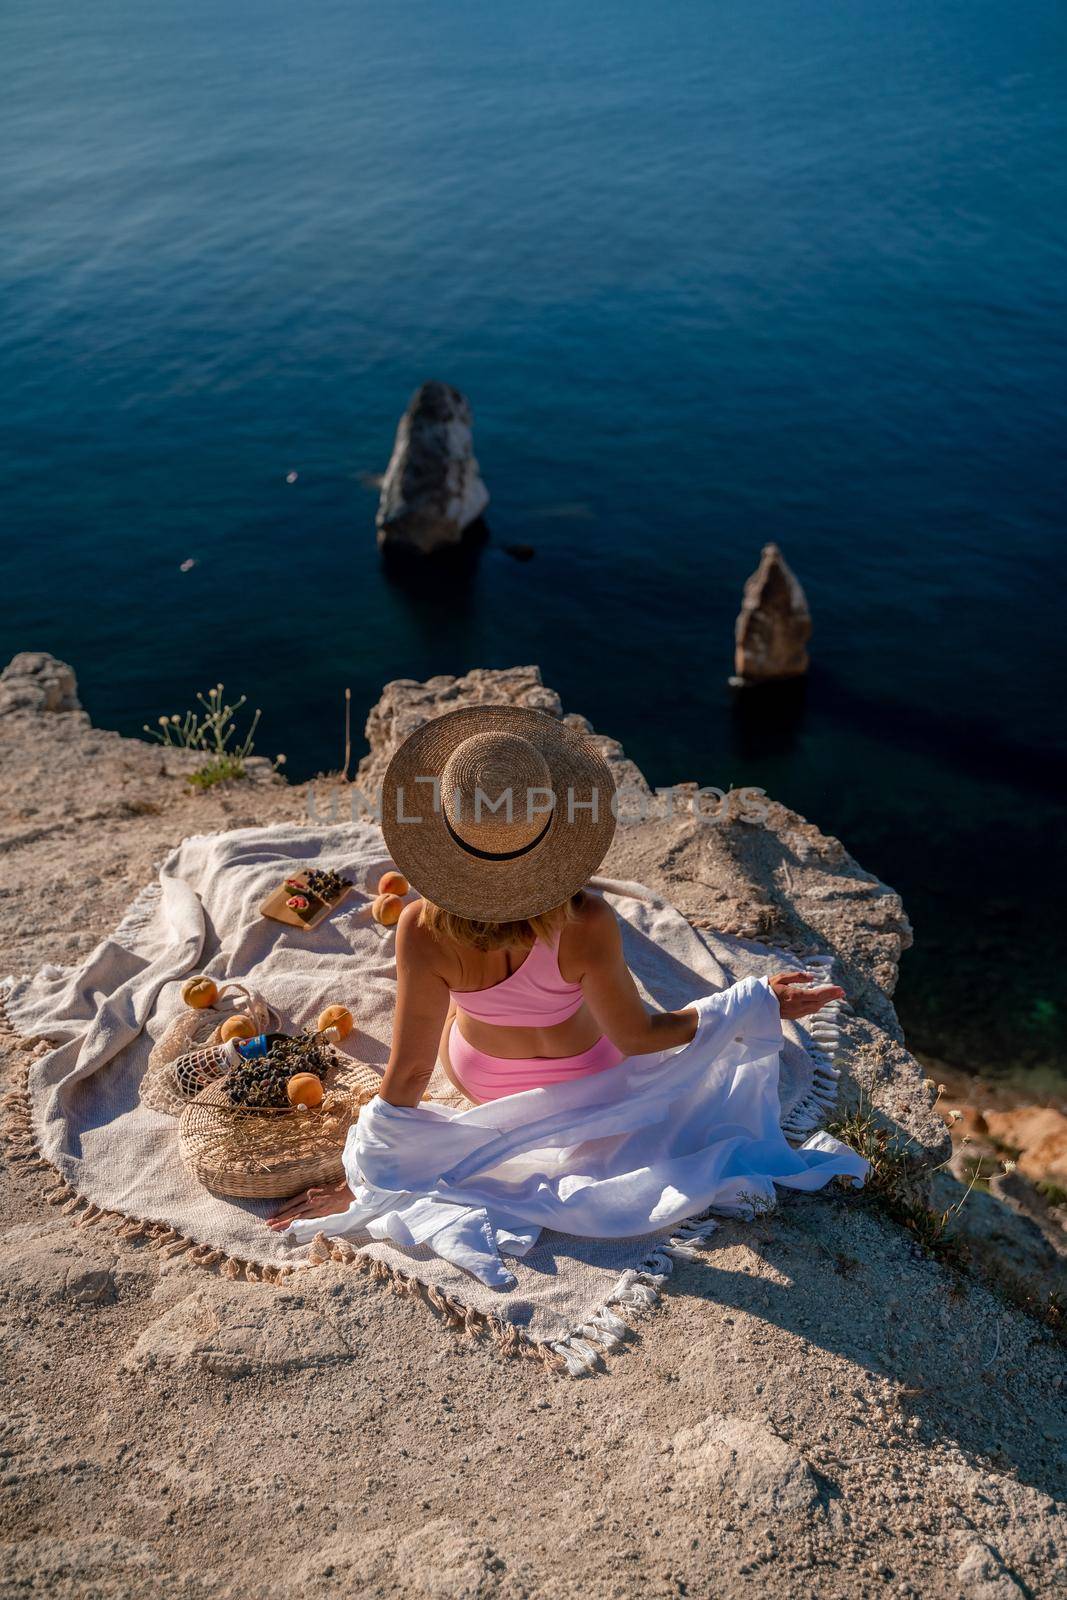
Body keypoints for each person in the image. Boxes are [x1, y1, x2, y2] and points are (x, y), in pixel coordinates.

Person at [270, 705, 842, 1232]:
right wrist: (745, 1004)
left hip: (484, 1083)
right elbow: (640, 1039)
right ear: (550, 837)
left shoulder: (419, 926)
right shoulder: (587, 918)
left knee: (450, 1023)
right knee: (619, 1001)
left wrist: (367, 1182)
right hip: (590, 1076)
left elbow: (411, 1075)